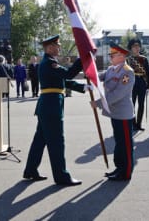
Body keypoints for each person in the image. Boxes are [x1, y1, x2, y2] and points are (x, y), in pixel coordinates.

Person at [23, 35, 92, 186]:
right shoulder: (50, 63)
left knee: (40, 141)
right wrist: (83, 59)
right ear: (49, 47)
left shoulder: (48, 63)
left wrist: (82, 87)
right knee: (57, 142)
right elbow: (67, 74)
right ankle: (61, 176)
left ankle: (30, 170)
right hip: (51, 107)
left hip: (47, 106)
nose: (59, 47)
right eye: (57, 45)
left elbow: (63, 80)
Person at [91, 43, 135, 181]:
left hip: (123, 113)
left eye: (113, 55)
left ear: (121, 56)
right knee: (119, 142)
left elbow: (118, 94)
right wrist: (88, 72)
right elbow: (97, 77)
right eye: (110, 55)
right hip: (114, 113)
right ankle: (119, 168)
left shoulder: (127, 71)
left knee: (125, 144)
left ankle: (126, 172)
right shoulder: (111, 69)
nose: (110, 57)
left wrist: (98, 103)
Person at [126, 39, 149, 131]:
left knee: (141, 104)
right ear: (131, 48)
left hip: (141, 82)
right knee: (131, 104)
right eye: (134, 47)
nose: (137, 48)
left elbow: (148, 72)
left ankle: (139, 124)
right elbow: (125, 74)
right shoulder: (128, 60)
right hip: (132, 84)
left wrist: (148, 86)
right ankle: (133, 124)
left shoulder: (144, 59)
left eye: (138, 46)